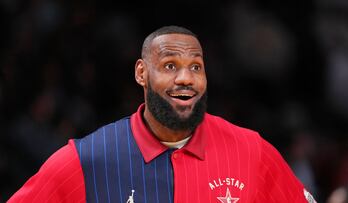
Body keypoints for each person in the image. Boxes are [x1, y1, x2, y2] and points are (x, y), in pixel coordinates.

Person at [8, 25, 316, 203]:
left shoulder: (252, 152)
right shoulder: (87, 160)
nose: (185, 78)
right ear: (141, 73)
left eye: (196, 67)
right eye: (170, 66)